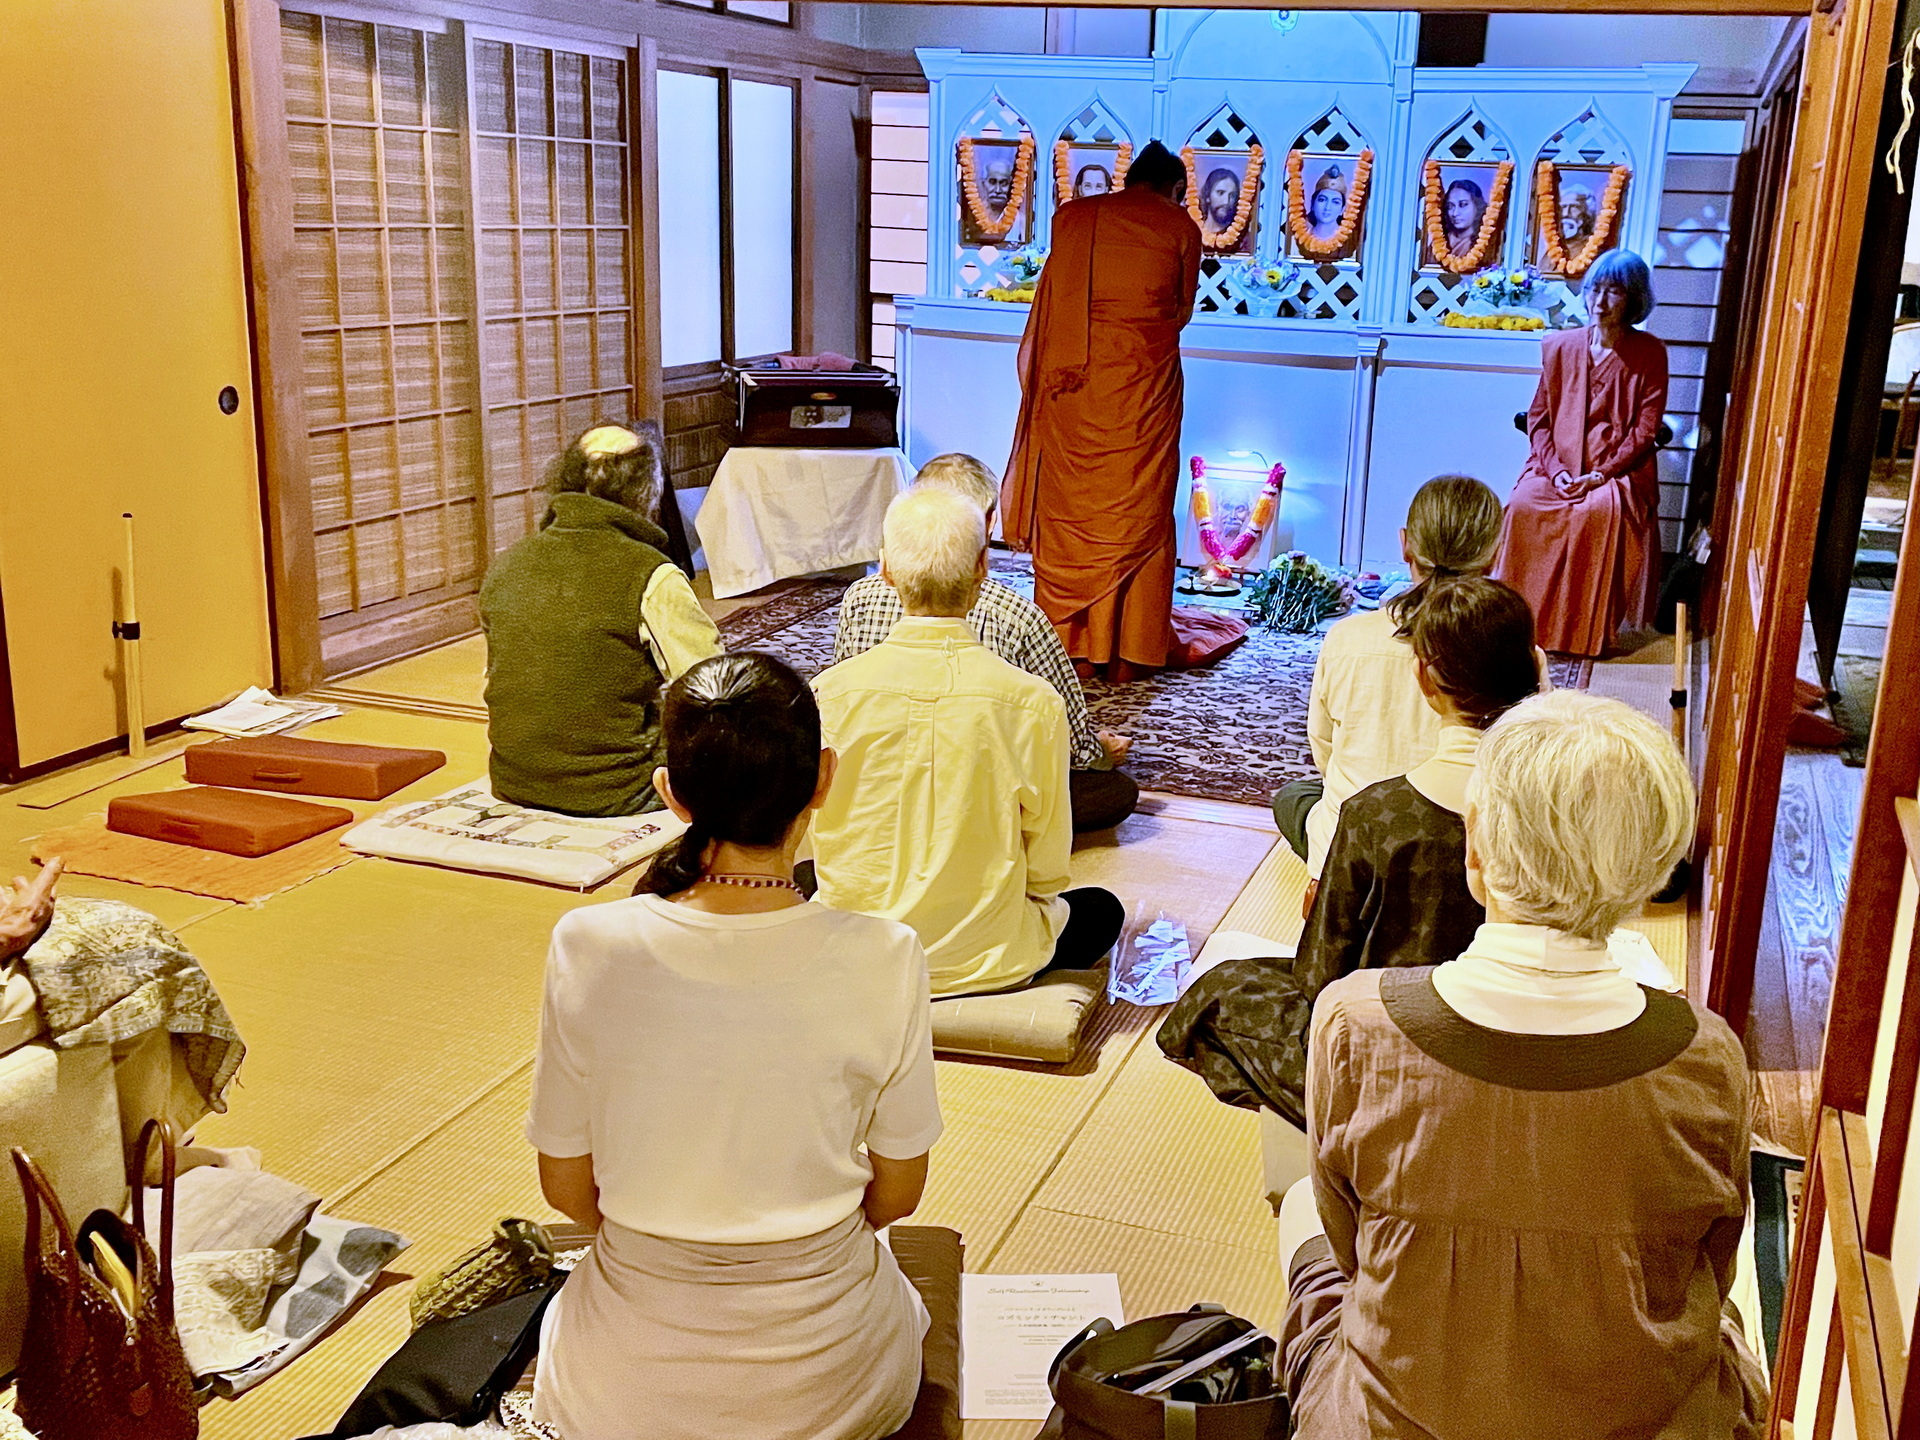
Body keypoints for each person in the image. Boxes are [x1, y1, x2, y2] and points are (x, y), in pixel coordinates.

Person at [1277, 691, 1765, 1438]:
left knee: (1301, 1214)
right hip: (1646, 1422)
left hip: (1391, 1422)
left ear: (1476, 848)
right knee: (1731, 1321)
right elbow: (1713, 1264)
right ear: (1652, 872)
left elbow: (1352, 1247)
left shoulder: (1353, 1020)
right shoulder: (1708, 1055)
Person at [528, 653, 942, 1440]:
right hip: (839, 1385)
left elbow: (567, 1189)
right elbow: (898, 1196)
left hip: (618, 1400)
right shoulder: (886, 955)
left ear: (671, 794)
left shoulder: (588, 942)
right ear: (823, 778)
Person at [812, 489, 1126, 996]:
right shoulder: (1032, 702)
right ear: (983, 566)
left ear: (885, 569)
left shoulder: (829, 692)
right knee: (1102, 910)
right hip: (987, 959)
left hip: (858, 954)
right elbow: (1047, 873)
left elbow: (814, 833)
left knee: (811, 883)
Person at [1003, 139, 1247, 680]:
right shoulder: (1181, 228)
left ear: (1128, 180)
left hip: (1072, 394)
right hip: (1142, 391)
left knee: (1072, 510)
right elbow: (1179, 313)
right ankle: (1129, 649)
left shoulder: (1073, 219)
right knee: (1139, 510)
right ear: (1176, 189)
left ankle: (1069, 642)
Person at [831, 452, 1140, 832]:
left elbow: (844, 709)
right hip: (977, 796)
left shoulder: (860, 597)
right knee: (1114, 791)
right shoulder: (1018, 615)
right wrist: (1101, 752)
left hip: (880, 784)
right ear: (988, 526)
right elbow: (1067, 740)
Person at [1294, 577, 1539, 983]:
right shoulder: (1558, 802)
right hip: (1518, 1001)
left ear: (1424, 677)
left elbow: (1320, 973)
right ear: (1532, 668)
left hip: (1383, 1010)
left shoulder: (1372, 813)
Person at [1270, 474, 1507, 885]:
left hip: (1355, 855)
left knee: (1295, 797)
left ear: (1405, 545)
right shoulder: (1517, 650)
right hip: (1467, 861)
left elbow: (1324, 749)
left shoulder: (1347, 637)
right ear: (1494, 554)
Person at [480, 423, 723, 816]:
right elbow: (712, 685)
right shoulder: (650, 572)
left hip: (514, 779)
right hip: (619, 787)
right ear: (648, 490)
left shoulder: (507, 565)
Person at [1493, 249, 1668, 657]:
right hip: (1556, 467)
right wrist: (1555, 471)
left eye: (1614, 292)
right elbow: (1538, 419)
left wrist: (1601, 474)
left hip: (1616, 472)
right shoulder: (1561, 347)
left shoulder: (1650, 353)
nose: (1600, 302)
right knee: (1524, 505)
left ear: (1634, 299)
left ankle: (1579, 635)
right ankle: (1519, 626)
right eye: (1594, 289)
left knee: (1597, 513)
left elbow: (1645, 430)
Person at [1441, 178, 1487, 256]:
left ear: (1477, 206)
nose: (1455, 213)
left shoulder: (1484, 243)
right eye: (1450, 206)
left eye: (1463, 205)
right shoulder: (1441, 240)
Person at [1199, 166, 1242, 249]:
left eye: (1232, 196)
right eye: (1220, 193)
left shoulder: (1241, 238)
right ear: (1208, 196)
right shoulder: (1193, 231)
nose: (1226, 201)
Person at [1306, 165, 1348, 246]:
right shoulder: (1298, 240)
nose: (1327, 207)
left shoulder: (1350, 243)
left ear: (1342, 209)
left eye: (1335, 202)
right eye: (1322, 200)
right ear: (1313, 204)